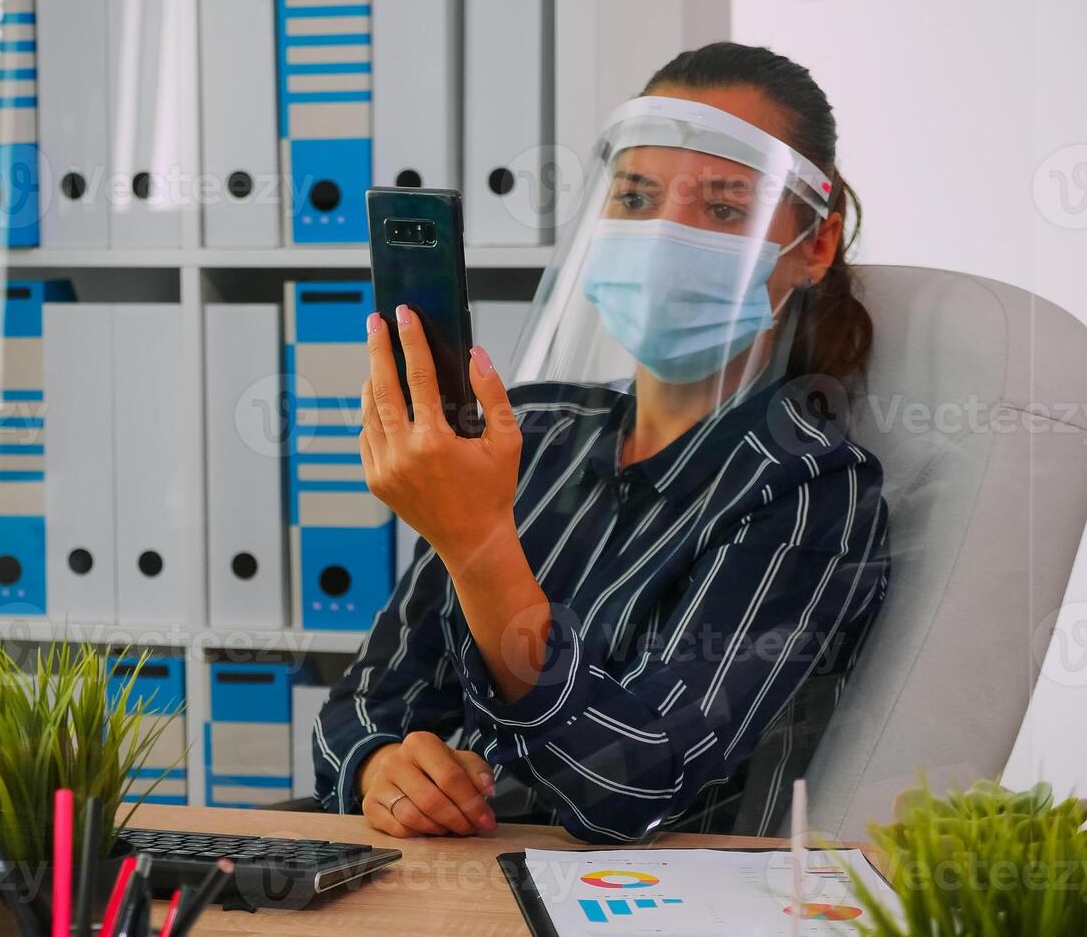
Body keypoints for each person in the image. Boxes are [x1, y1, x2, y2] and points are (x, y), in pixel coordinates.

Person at [312, 42, 891, 843]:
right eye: (637, 197)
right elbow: (366, 706)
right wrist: (385, 769)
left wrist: (479, 543)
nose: (661, 238)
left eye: (723, 209)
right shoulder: (530, 432)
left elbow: (636, 787)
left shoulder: (807, 490)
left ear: (813, 248)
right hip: (437, 877)